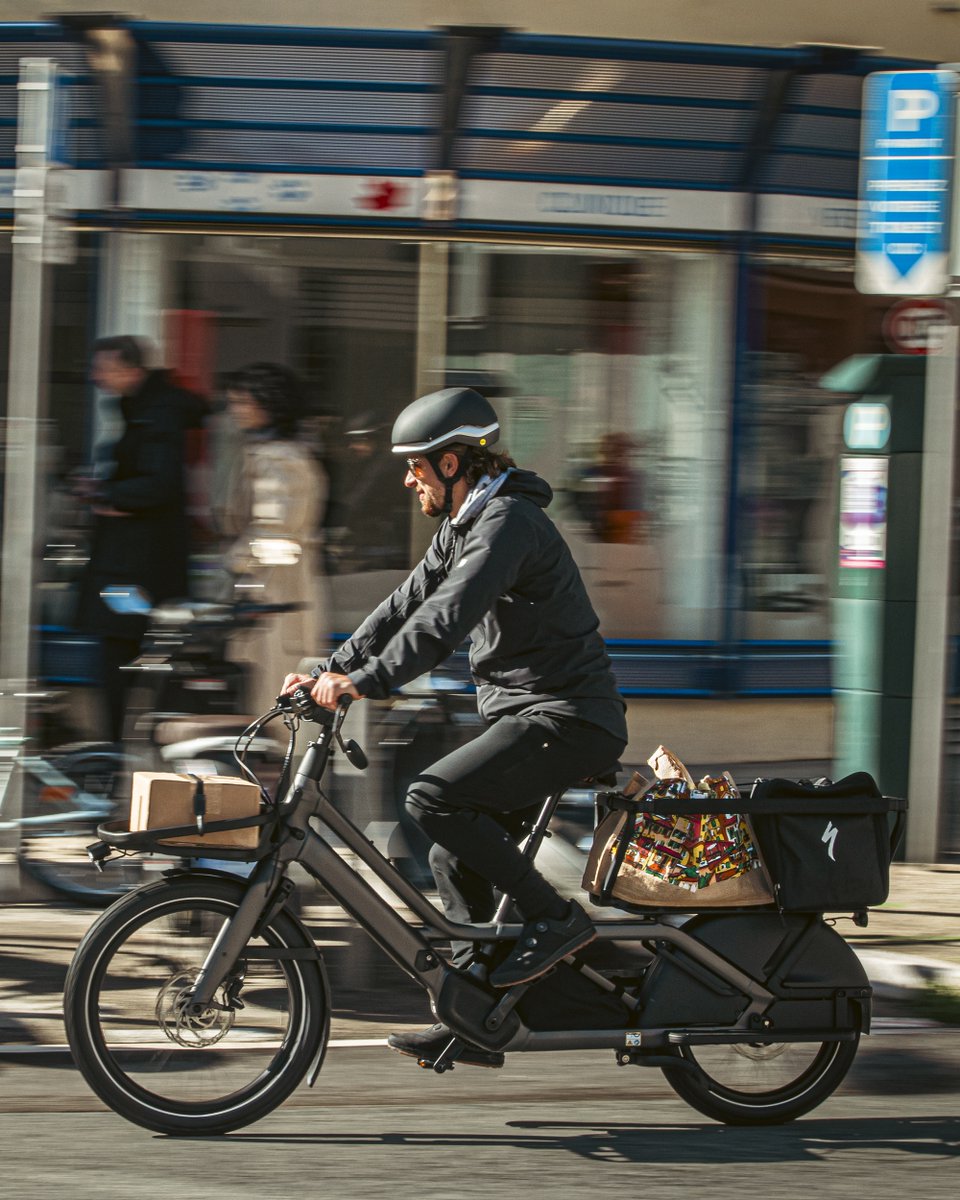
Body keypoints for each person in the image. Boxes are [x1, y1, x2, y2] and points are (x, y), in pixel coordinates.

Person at [283, 387, 627, 1069]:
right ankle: (477, 1012)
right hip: (530, 716)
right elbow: (403, 605)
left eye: (414, 467)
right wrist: (330, 667)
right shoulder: (465, 524)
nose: (408, 481)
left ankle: (558, 923)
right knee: (451, 853)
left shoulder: (507, 523)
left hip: (568, 718)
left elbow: (447, 619)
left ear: (449, 463)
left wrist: (366, 683)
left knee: (431, 799)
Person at [75, 336, 205, 744]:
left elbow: (158, 485)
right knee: (124, 655)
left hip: (134, 568)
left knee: (121, 654)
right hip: (136, 565)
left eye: (104, 368)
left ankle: (121, 750)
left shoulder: (157, 412)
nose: (97, 377)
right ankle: (124, 747)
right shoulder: (145, 409)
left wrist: (107, 497)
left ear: (129, 369)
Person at [215, 363, 328, 714]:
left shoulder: (281, 459)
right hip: (268, 592)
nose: (236, 411)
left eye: (243, 402)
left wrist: (236, 564)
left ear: (269, 405)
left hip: (278, 594)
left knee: (277, 693)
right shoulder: (269, 454)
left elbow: (276, 531)